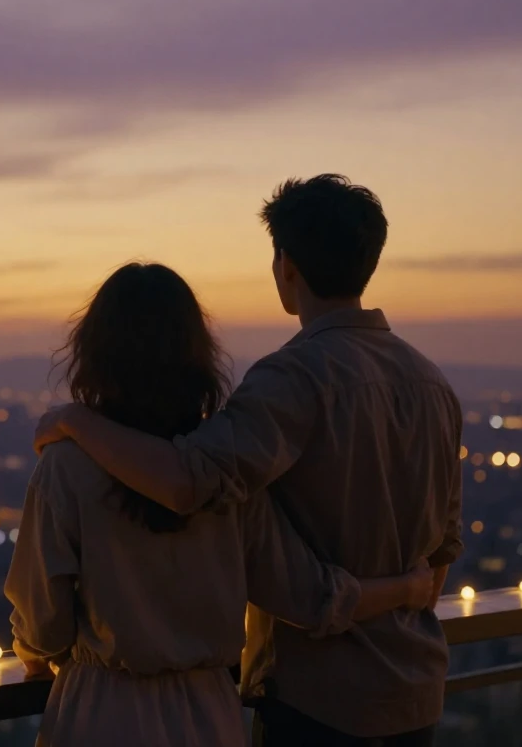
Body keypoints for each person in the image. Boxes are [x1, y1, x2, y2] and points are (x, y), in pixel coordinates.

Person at [34, 176, 464, 746]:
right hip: (414, 692)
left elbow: (188, 481)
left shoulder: (295, 378)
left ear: (286, 266)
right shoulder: (432, 383)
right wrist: (406, 592)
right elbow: (442, 551)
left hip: (320, 698)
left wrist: (74, 421)